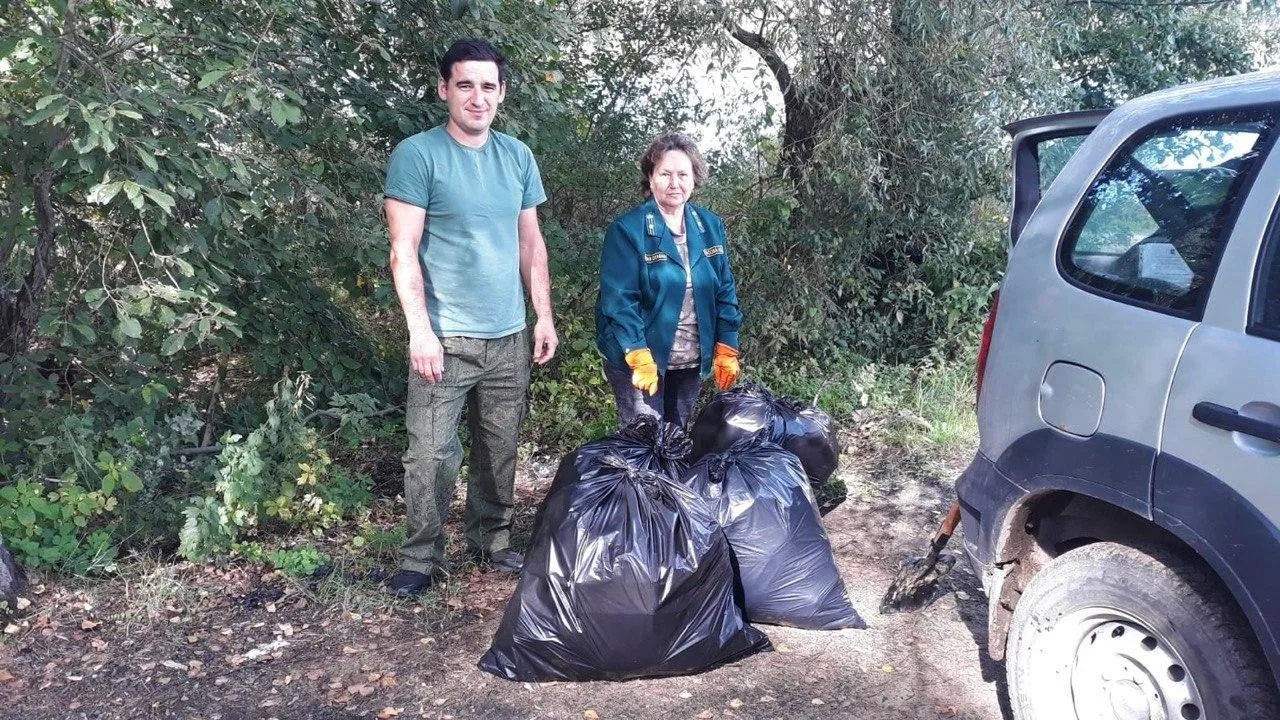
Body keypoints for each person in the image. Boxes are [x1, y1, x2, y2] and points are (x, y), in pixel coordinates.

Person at [383, 38, 557, 597]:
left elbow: (531, 242)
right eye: (465, 85)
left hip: (509, 335)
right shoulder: (418, 155)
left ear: (501, 93)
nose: (477, 97)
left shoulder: (518, 156)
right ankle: (420, 559)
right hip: (444, 337)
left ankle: (491, 541)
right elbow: (402, 249)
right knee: (430, 454)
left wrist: (544, 317)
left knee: (499, 446)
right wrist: (419, 330)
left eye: (488, 86)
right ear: (444, 90)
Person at [595, 133, 742, 428]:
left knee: (677, 437)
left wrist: (727, 345)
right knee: (645, 442)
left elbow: (724, 289)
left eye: (682, 174)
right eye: (665, 174)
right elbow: (620, 300)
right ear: (650, 178)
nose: (675, 183)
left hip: (689, 358)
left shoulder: (709, 225)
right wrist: (637, 354)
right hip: (642, 359)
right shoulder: (627, 230)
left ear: (694, 178)